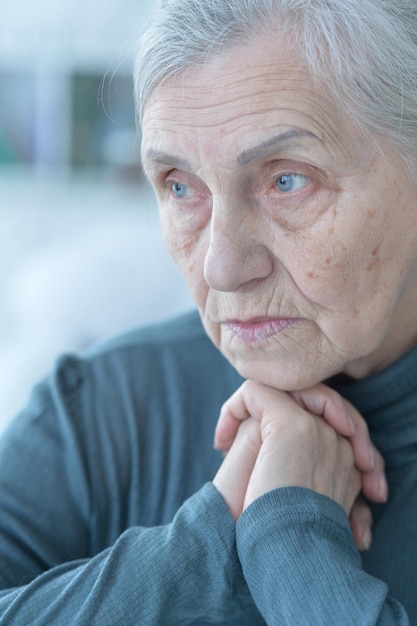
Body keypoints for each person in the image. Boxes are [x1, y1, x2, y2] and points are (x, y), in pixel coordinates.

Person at [0, 0, 416, 623]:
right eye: (179, 186)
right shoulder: (102, 411)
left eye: (287, 180)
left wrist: (290, 538)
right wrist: (208, 543)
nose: (221, 267)